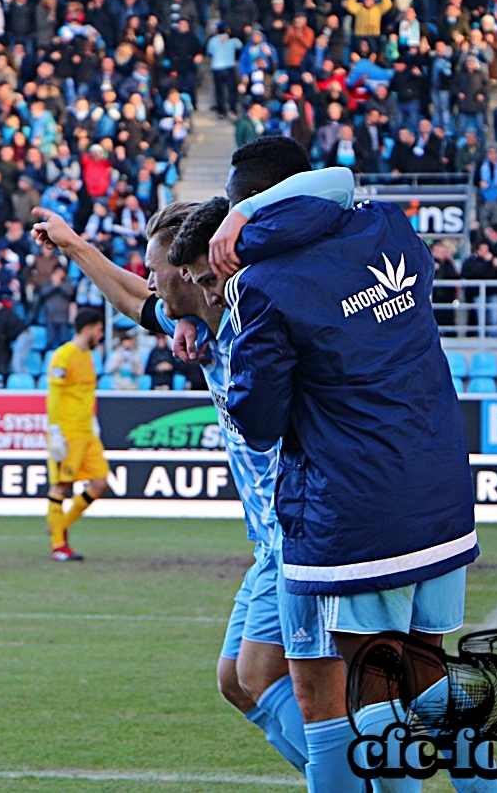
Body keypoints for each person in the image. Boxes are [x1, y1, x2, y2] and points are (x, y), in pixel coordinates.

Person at [206, 136, 489, 793]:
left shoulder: (263, 284)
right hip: (440, 489)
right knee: (426, 675)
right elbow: (339, 182)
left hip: (356, 509)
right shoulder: (387, 225)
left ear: (236, 208)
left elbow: (258, 421)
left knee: (352, 693)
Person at [33, 191, 333, 779]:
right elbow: (128, 296)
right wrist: (72, 246)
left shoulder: (261, 324)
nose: (148, 278)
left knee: (280, 680)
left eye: (157, 268)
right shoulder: (192, 320)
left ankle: (351, 781)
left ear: (194, 270)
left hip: (302, 528)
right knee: (236, 682)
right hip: (268, 542)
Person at [43, 304, 109, 561]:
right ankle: (58, 545)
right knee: (61, 486)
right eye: (100, 330)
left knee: (100, 483)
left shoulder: (89, 357)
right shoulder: (63, 356)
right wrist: (55, 430)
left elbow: (86, 394)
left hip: (86, 431)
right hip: (67, 432)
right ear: (89, 328)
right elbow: (55, 395)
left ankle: (60, 524)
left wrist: (92, 421)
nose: (101, 335)